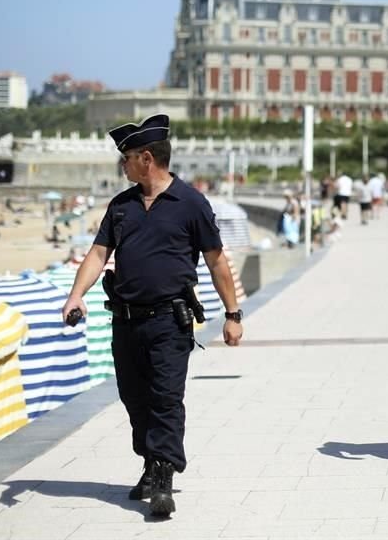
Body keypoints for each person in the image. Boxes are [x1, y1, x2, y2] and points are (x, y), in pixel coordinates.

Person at [61, 114, 244, 518]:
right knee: (134, 399)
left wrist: (233, 314)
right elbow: (97, 254)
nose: (122, 166)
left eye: (125, 158)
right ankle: (150, 462)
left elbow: (216, 262)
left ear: (146, 158)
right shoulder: (121, 206)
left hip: (169, 321)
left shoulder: (191, 203)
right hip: (125, 321)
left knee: (165, 398)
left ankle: (163, 477)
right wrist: (76, 295)